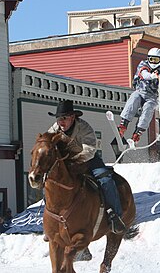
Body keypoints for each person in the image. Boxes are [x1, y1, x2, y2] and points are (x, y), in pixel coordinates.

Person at [47, 100, 126, 235]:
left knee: (105, 179)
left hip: (88, 160)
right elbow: (47, 143)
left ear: (73, 117)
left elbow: (89, 150)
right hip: (67, 162)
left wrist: (75, 161)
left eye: (64, 118)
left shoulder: (84, 128)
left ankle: (115, 215)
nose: (61, 122)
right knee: (51, 182)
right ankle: (50, 220)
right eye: (58, 118)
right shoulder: (55, 129)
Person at [117, 47, 160, 143]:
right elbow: (144, 73)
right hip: (140, 91)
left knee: (148, 109)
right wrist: (152, 76)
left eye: (156, 60)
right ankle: (123, 124)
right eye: (152, 59)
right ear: (148, 58)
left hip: (152, 96)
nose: (153, 62)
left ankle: (138, 132)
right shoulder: (143, 64)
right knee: (133, 100)